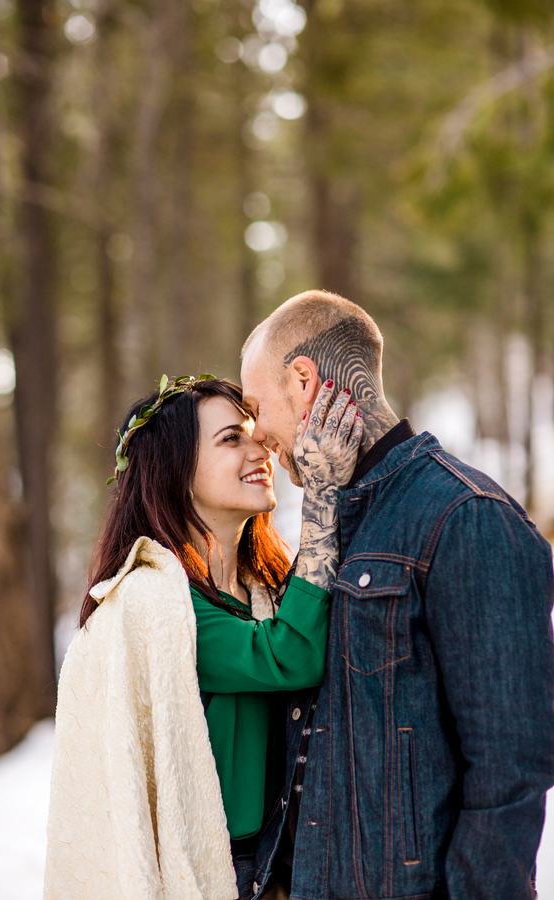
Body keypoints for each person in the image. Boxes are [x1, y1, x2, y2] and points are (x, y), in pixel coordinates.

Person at [240, 289, 554, 900]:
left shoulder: (468, 517)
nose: (259, 434)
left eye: (257, 408)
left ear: (303, 382)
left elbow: (510, 768)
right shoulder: (325, 529)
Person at [43, 375, 363, 900]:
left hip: (285, 857)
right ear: (177, 473)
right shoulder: (159, 604)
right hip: (216, 873)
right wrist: (323, 500)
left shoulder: (265, 587)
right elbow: (291, 655)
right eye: (231, 438)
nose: (260, 449)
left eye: (255, 433)